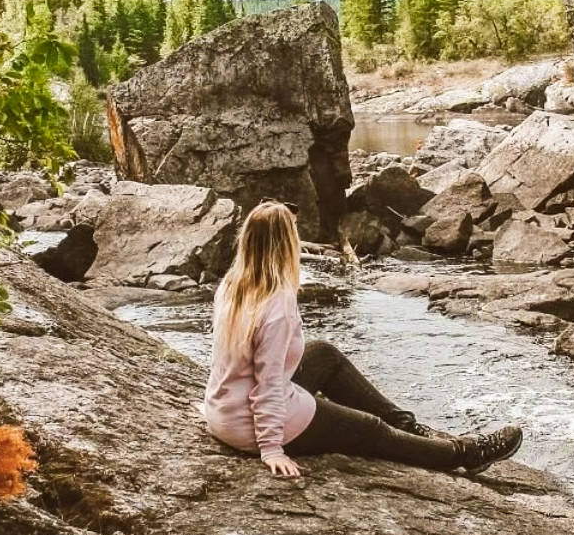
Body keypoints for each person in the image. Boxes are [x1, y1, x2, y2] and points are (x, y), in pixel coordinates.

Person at [203, 201, 524, 478]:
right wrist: (271, 448)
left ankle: (414, 429)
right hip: (252, 427)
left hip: (225, 414)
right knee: (370, 429)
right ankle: (463, 453)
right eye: (294, 235)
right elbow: (268, 384)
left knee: (323, 354)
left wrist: (215, 409)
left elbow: (225, 363)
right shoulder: (277, 304)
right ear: (286, 245)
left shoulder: (233, 285)